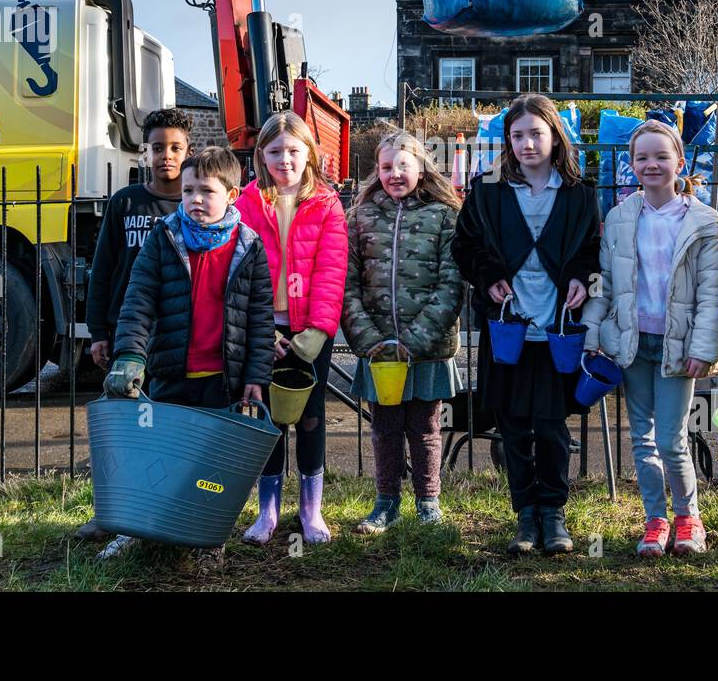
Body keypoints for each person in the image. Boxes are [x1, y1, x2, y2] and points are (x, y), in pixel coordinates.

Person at [100, 147, 275, 560]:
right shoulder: (163, 238)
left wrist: (256, 377)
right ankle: (136, 528)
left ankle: (205, 535)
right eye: (189, 189)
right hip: (169, 371)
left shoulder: (248, 248)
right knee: (153, 454)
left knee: (209, 467)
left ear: (232, 195)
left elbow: (260, 320)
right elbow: (138, 299)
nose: (195, 199)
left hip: (222, 378)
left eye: (206, 191)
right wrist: (129, 355)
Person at [452, 94, 600, 555]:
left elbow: (593, 249)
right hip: (508, 327)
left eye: (536, 133)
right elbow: (465, 247)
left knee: (552, 425)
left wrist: (580, 276)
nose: (527, 143)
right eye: (517, 135)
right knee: (514, 423)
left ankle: (554, 513)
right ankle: (525, 516)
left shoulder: (579, 193)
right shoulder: (487, 189)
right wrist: (490, 276)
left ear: (555, 136)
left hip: (556, 328)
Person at [582, 120, 718, 556]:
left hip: (677, 347)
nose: (652, 165)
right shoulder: (621, 216)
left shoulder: (703, 222)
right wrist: (591, 332)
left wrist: (704, 348)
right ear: (631, 165)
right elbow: (603, 282)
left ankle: (688, 518)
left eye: (661, 156)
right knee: (641, 439)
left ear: (679, 163)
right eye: (642, 157)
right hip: (630, 343)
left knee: (671, 439)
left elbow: (712, 291)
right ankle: (655, 520)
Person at [78, 107, 193, 541]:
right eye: (159, 147)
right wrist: (99, 331)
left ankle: (162, 513)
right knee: (122, 434)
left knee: (168, 430)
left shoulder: (194, 202)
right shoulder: (124, 203)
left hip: (175, 337)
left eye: (176, 148)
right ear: (145, 151)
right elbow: (102, 269)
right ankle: (113, 514)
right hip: (127, 337)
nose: (167, 155)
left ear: (188, 151)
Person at [342, 130, 465, 532]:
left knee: (427, 427)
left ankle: (428, 501)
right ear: (376, 171)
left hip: (426, 350)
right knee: (384, 428)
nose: (395, 173)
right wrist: (368, 340)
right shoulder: (359, 217)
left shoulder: (445, 216)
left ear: (421, 167)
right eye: (386, 166)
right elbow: (346, 283)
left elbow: (452, 283)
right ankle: (385, 503)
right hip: (378, 351)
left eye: (403, 165)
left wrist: (413, 341)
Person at [235, 111, 348, 545]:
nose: (285, 159)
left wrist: (317, 331)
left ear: (309, 155)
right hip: (265, 331)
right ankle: (267, 513)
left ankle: (310, 510)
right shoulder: (245, 203)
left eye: (294, 151)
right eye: (276, 151)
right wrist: (262, 330)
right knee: (267, 419)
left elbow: (331, 270)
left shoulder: (326, 203)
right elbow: (241, 273)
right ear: (262, 155)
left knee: (311, 418)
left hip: (310, 333)